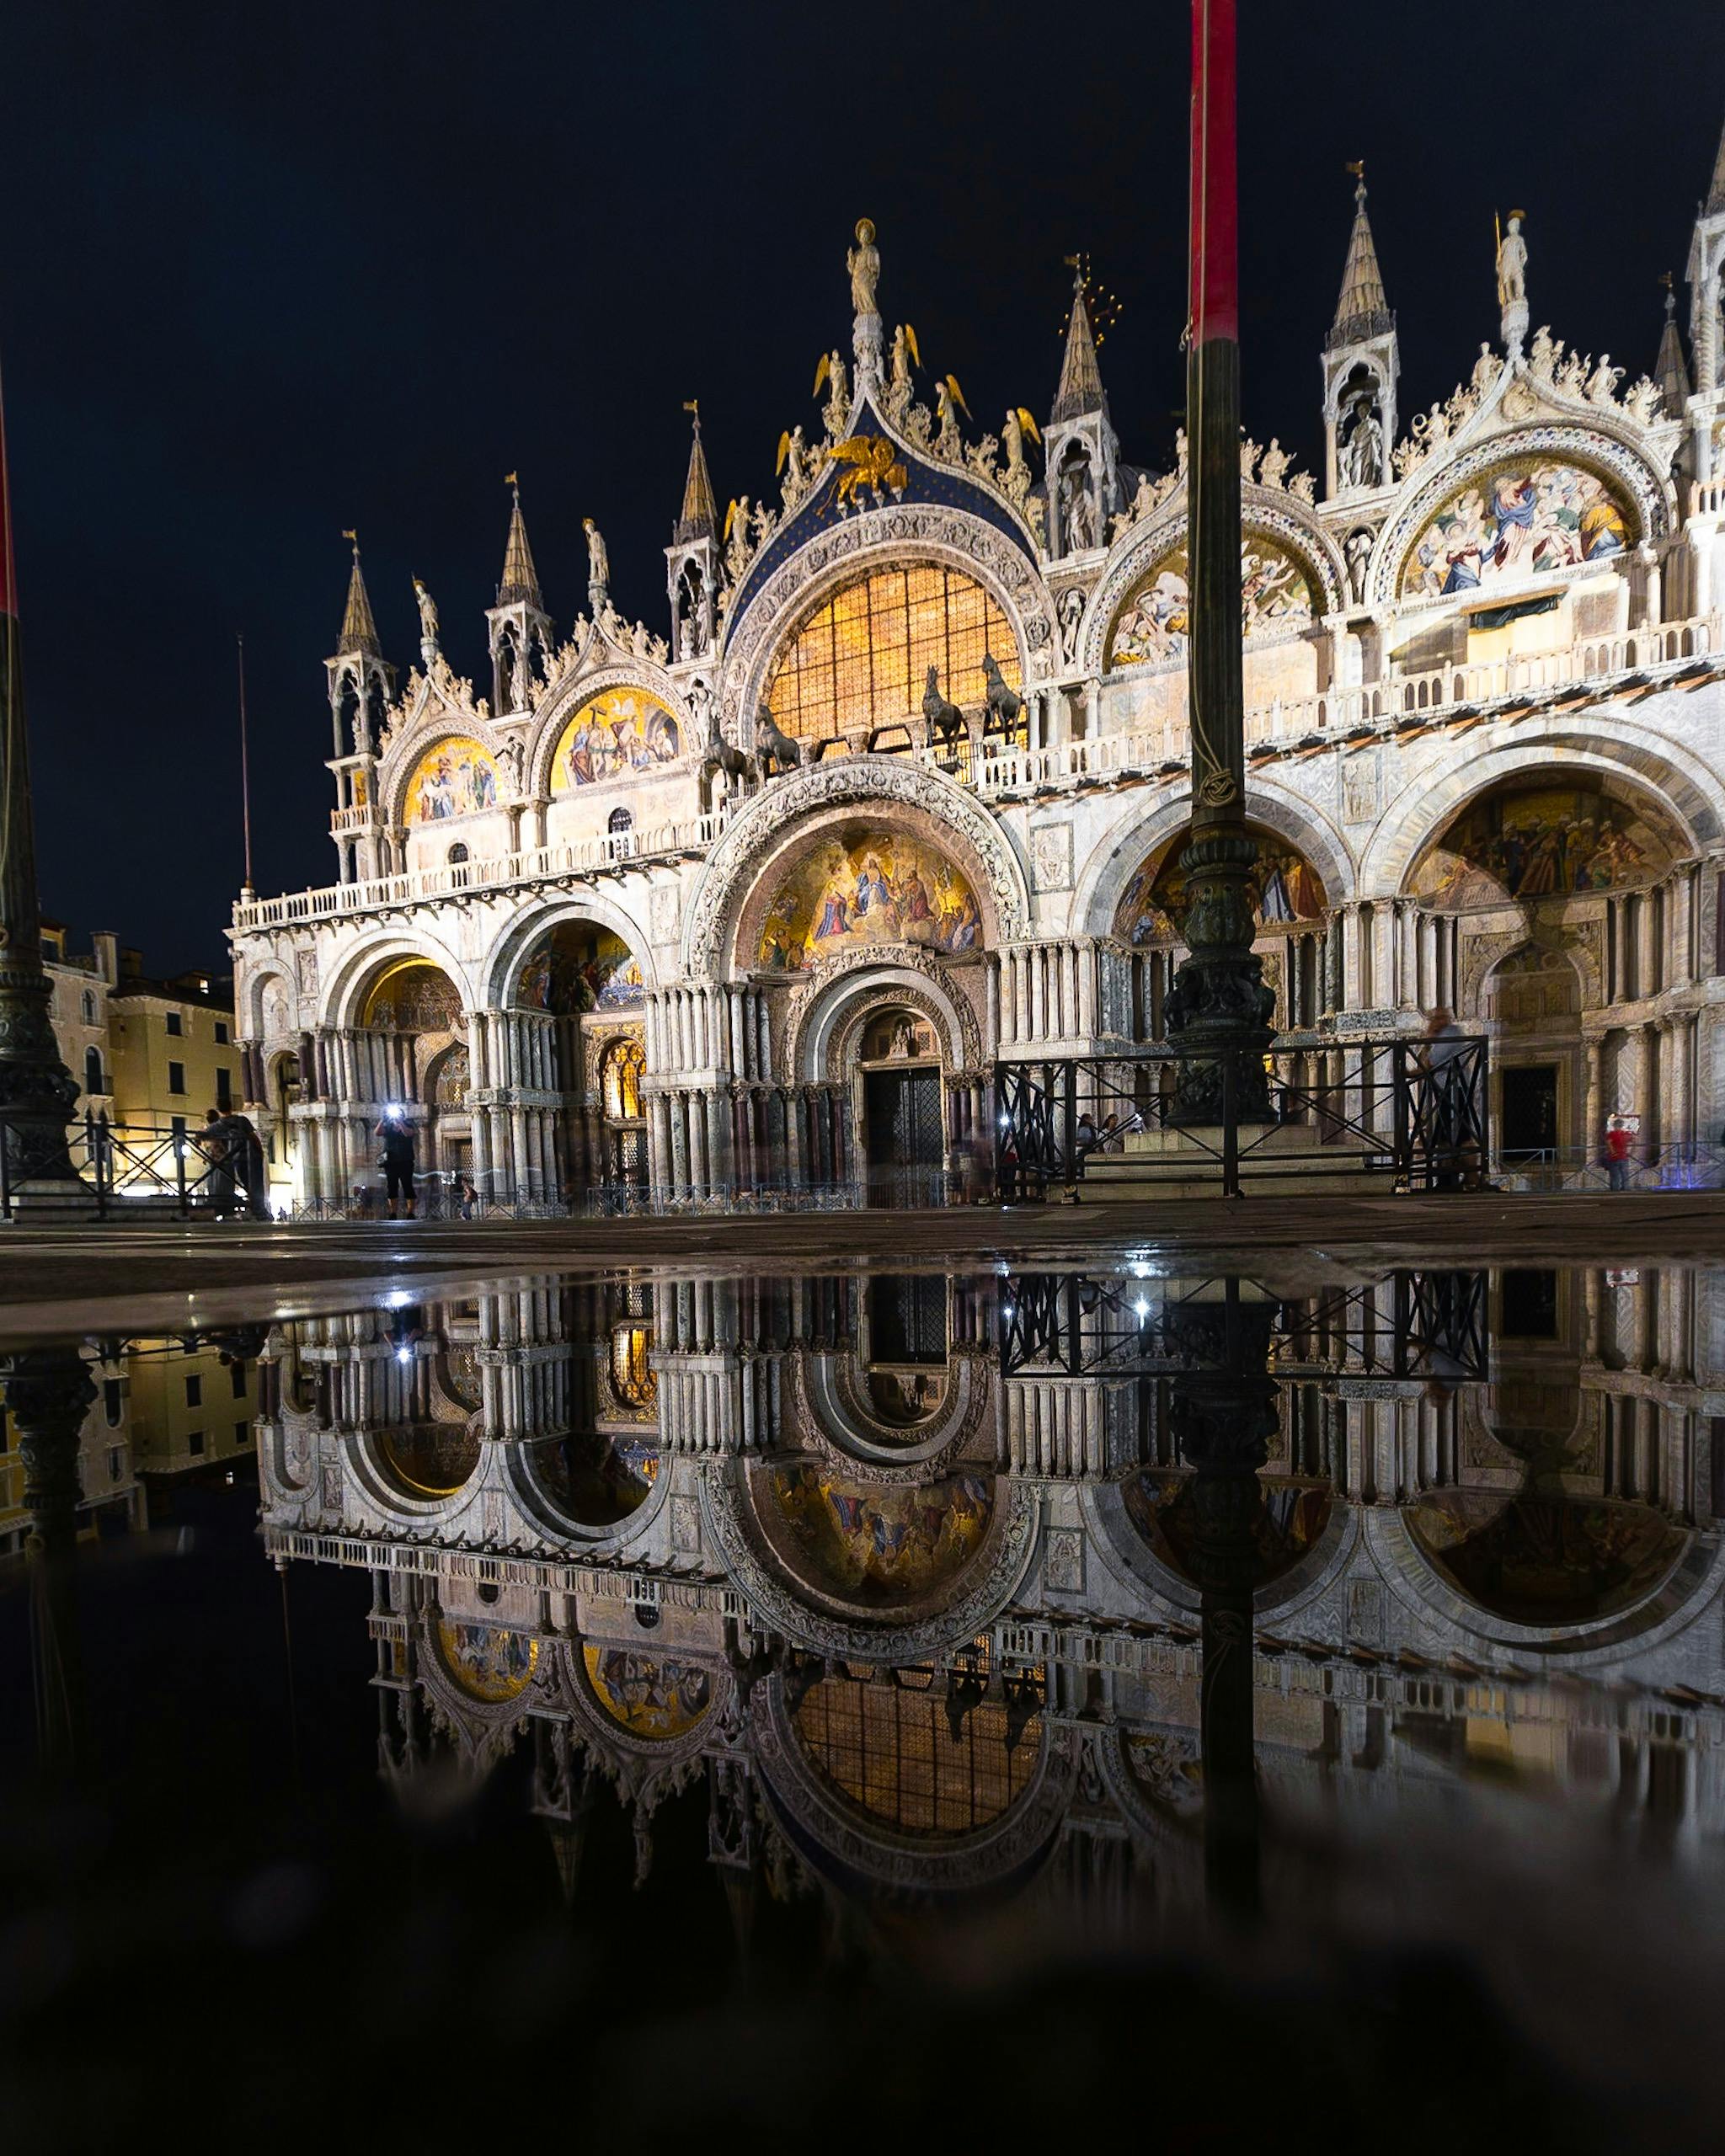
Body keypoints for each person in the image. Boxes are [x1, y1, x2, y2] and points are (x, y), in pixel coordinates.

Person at [376, 1111, 417, 1219]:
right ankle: (393, 1212)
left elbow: (409, 1133)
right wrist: (382, 1120)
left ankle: (410, 1212)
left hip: (405, 1161)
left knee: (407, 1186)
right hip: (391, 1162)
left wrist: (401, 1123)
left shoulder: (408, 1124)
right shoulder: (388, 1127)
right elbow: (377, 1132)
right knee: (392, 1187)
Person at [201, 1108, 236, 1218]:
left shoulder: (211, 1129)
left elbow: (202, 1139)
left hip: (218, 1161)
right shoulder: (223, 1127)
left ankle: (219, 1209)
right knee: (223, 1186)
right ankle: (226, 1210)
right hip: (224, 1161)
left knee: (216, 1186)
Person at [1605, 1115, 1633, 1192]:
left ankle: (1615, 1190)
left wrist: (1613, 1152)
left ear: (1614, 1126)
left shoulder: (1612, 1134)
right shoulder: (1627, 1134)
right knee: (1625, 1175)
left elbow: (1609, 1143)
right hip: (1624, 1156)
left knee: (1615, 1175)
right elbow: (1633, 1141)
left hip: (1614, 1157)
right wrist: (1630, 1152)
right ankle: (1625, 1188)